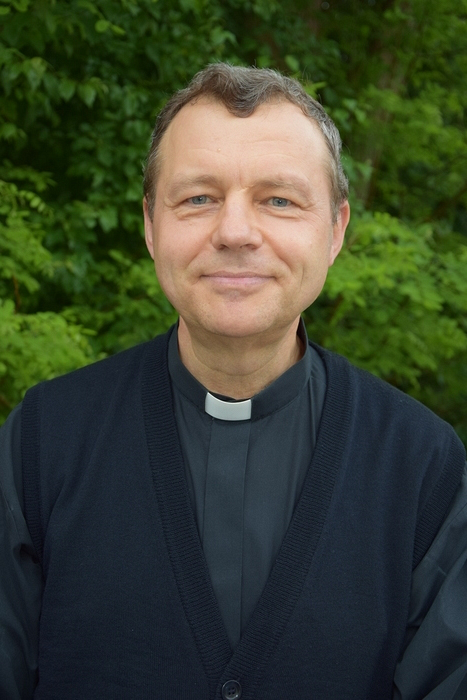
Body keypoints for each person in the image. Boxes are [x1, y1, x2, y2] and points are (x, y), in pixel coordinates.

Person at [1, 63, 466, 700]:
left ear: (335, 230)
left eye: (279, 200)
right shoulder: (42, 442)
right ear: (150, 225)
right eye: (199, 198)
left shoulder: (423, 465)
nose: (236, 233)